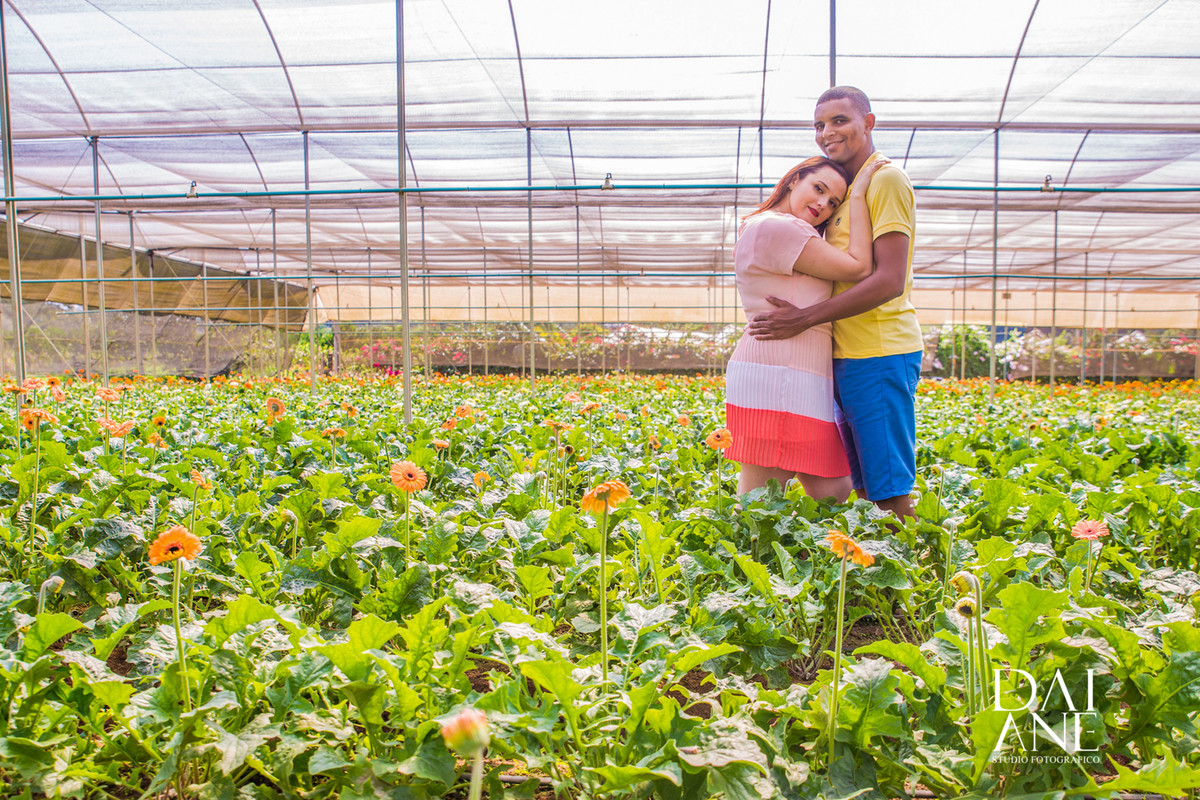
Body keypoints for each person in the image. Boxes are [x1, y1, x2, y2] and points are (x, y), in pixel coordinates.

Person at [746, 86, 922, 519]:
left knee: (888, 487)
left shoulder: (885, 179)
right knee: (865, 486)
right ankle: (877, 573)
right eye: (819, 125)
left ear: (869, 122)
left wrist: (805, 319)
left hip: (878, 350)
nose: (828, 132)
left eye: (840, 120)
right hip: (846, 354)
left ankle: (917, 580)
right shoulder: (850, 191)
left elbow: (889, 280)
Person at [725, 155, 887, 501]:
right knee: (763, 501)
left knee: (832, 491)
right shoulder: (778, 227)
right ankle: (744, 556)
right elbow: (859, 268)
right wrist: (857, 197)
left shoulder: (780, 228)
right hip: (778, 372)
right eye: (818, 188)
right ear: (794, 179)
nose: (822, 205)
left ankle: (789, 553)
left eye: (833, 203)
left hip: (799, 374)